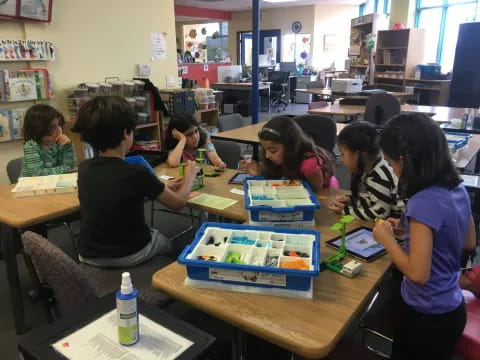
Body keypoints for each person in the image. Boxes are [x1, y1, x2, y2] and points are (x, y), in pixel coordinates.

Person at [372, 113, 477, 360]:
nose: (393, 171)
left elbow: (418, 274)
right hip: (451, 308)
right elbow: (469, 241)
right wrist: (413, 230)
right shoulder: (457, 187)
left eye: (391, 163)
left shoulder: (423, 201)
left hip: (425, 317)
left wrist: (388, 240)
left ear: (405, 160)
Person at [72, 96, 197, 268]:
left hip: (88, 255)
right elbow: (179, 203)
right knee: (166, 243)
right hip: (128, 253)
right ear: (126, 132)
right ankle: (171, 273)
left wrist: (160, 187)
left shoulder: (85, 168)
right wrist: (190, 175)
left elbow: (118, 190)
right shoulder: (136, 172)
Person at [241, 116, 338, 192]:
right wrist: (260, 173)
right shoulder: (282, 157)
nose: (267, 155)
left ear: (290, 146)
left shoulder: (309, 164)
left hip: (325, 193)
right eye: (264, 149)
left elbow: (317, 192)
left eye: (273, 151)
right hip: (296, 187)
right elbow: (279, 178)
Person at [329, 121, 403, 221]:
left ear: (359, 154)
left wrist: (346, 211)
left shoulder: (377, 178)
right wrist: (352, 201)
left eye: (342, 154)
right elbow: (378, 201)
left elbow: (380, 214)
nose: (341, 159)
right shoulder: (378, 167)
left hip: (400, 227)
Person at [20, 104, 77, 177]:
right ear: (38, 129)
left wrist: (68, 145)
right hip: (31, 186)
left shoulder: (58, 142)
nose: (58, 130)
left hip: (53, 183)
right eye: (52, 127)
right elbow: (38, 173)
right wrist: (65, 169)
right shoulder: (31, 146)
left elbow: (71, 165)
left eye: (58, 125)